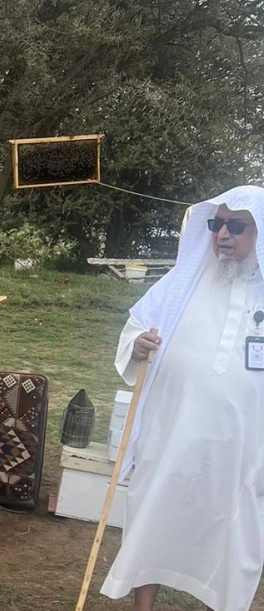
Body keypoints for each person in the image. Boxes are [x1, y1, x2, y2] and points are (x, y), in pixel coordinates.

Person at [100, 185, 264, 611]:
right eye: (217, 224)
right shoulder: (183, 281)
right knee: (155, 513)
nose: (223, 235)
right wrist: (137, 344)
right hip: (172, 430)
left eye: (236, 226)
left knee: (232, 528)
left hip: (241, 447)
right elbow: (137, 324)